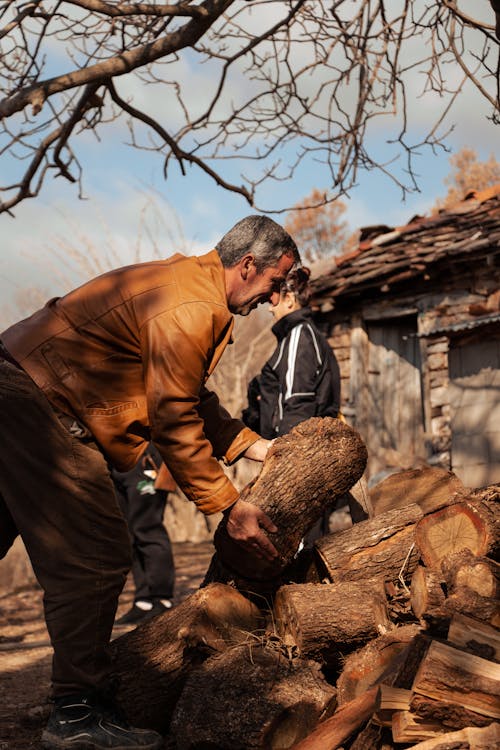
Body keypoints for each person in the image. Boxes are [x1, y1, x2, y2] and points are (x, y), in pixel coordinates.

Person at [0, 215, 300, 750]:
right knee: (94, 556)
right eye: (276, 282)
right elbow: (174, 417)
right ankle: (74, 715)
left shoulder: (188, 284)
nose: (275, 297)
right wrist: (228, 505)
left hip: (16, 386)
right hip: (38, 404)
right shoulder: (192, 306)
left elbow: (189, 395)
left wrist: (255, 447)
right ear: (248, 265)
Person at [243, 266, 341, 542]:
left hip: (300, 461)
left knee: (298, 540)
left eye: (274, 296)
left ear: (290, 299)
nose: (269, 305)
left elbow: (296, 404)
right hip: (298, 458)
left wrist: (286, 462)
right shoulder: (294, 337)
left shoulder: (299, 335)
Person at [112, 444, 176, 626]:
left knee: (148, 528)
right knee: (127, 534)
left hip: (145, 459)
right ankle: (143, 601)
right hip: (114, 464)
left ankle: (162, 598)